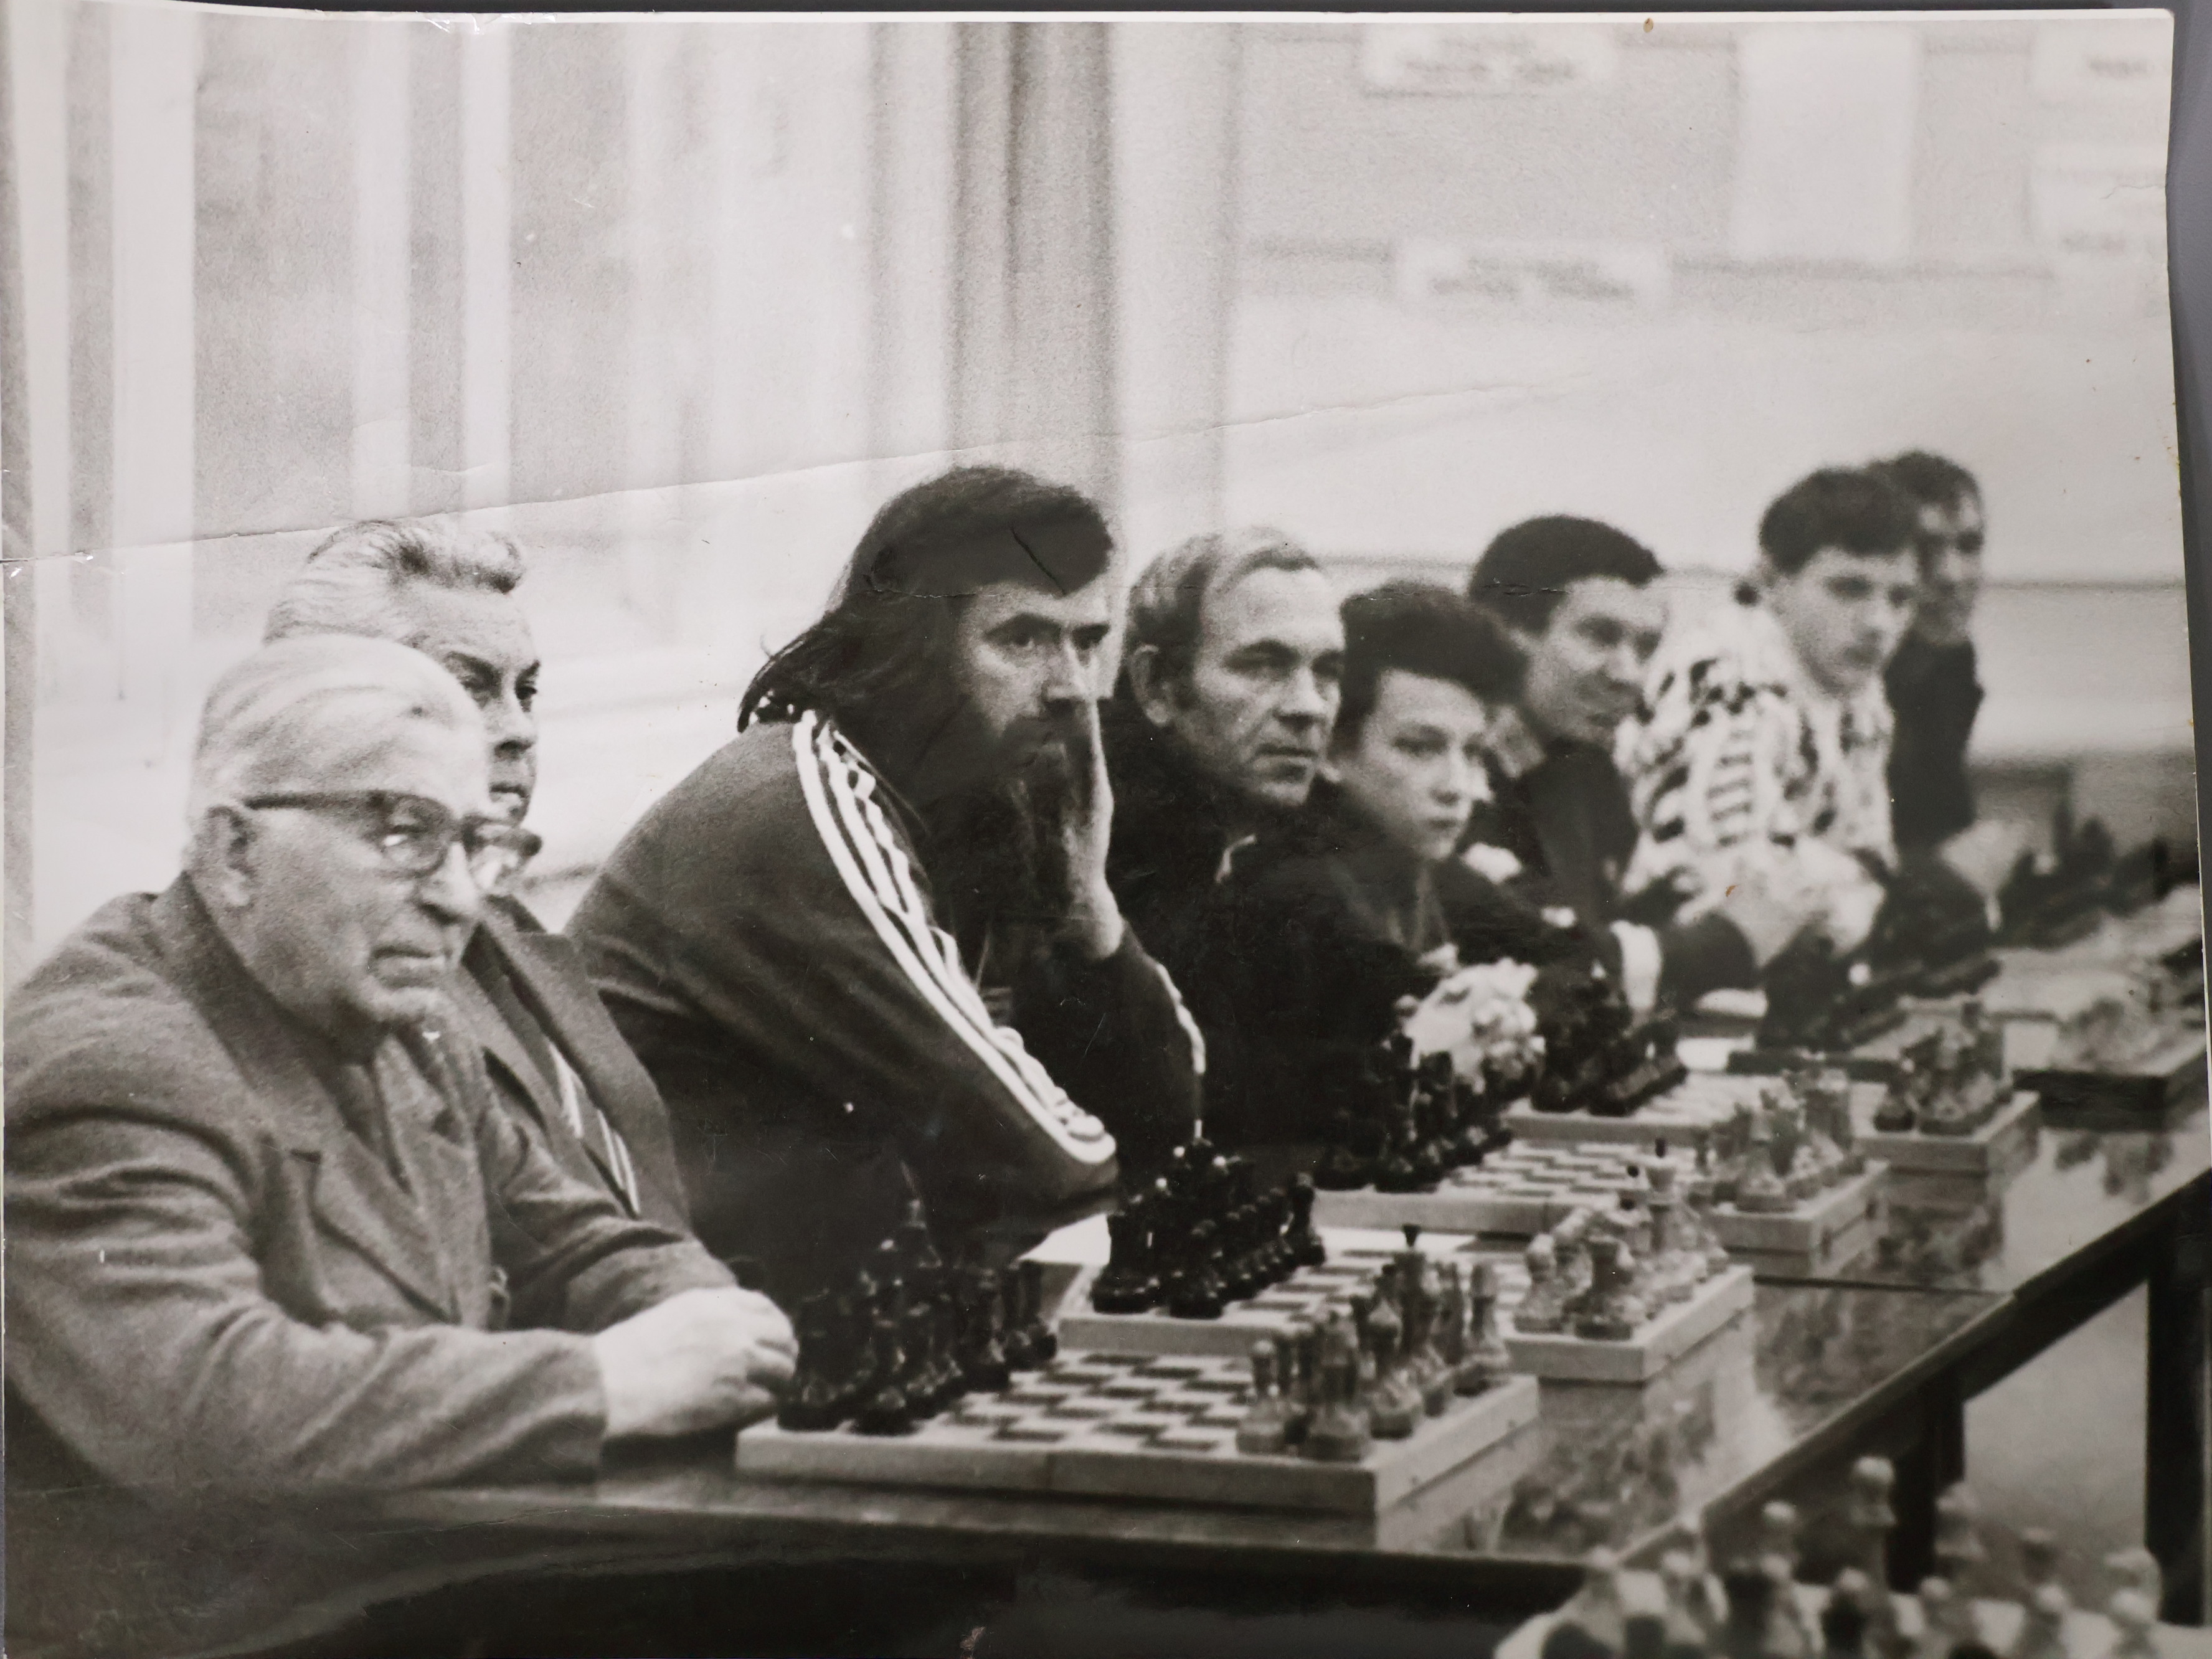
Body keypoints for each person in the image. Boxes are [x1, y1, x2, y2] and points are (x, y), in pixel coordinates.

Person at [6, 637, 795, 1652]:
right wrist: (605, 1385)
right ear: (235, 851)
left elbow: (577, 1241)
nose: (459, 896)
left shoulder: (401, 1021)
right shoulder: (111, 1062)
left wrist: (700, 1314)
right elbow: (204, 1405)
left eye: (476, 843)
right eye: (404, 834)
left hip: (401, 1592)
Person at [567, 466, 1202, 1302]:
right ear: (915, 648)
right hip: (650, 1319)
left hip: (785, 1306)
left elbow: (1170, 1127)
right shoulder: (801, 802)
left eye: (1087, 643)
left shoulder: (970, 811)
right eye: (1022, 640)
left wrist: (1092, 909)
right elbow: (1044, 1158)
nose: (1071, 688)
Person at [264, 519, 689, 1229]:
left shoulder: (505, 922)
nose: (521, 729)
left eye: (527, 691)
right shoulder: (328, 980)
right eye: (471, 688)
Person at [1203, 582, 1577, 1143]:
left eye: (1472, 752)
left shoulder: (1423, 866)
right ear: (1332, 751)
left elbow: (1575, 961)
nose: (1458, 787)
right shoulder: (1296, 892)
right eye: (1420, 748)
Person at [1465, 516, 1820, 1012]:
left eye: (1646, 647)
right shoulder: (1453, 774)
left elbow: (1594, 925)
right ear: (1504, 633)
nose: (1629, 674)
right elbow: (1556, 960)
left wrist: (1680, 900)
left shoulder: (1582, 767)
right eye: (1600, 636)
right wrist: (1732, 941)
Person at [1617, 468, 1924, 953]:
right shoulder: (1728, 678)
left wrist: (1837, 886)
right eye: (1849, 589)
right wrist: (1845, 890)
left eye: (1901, 598)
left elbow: (1875, 862)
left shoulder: (1858, 691)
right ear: (1769, 582)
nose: (1879, 623)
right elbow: (1729, 890)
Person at [1103, 527, 1347, 983]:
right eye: (1262, 666)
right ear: (1156, 685)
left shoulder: (1319, 860)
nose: (1310, 706)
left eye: (1327, 671)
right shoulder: (1089, 864)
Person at [1875, 451, 1987, 852]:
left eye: (1969, 546)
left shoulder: (1949, 659)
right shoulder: (1855, 676)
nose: (1951, 575)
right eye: (1925, 550)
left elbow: (1944, 825)